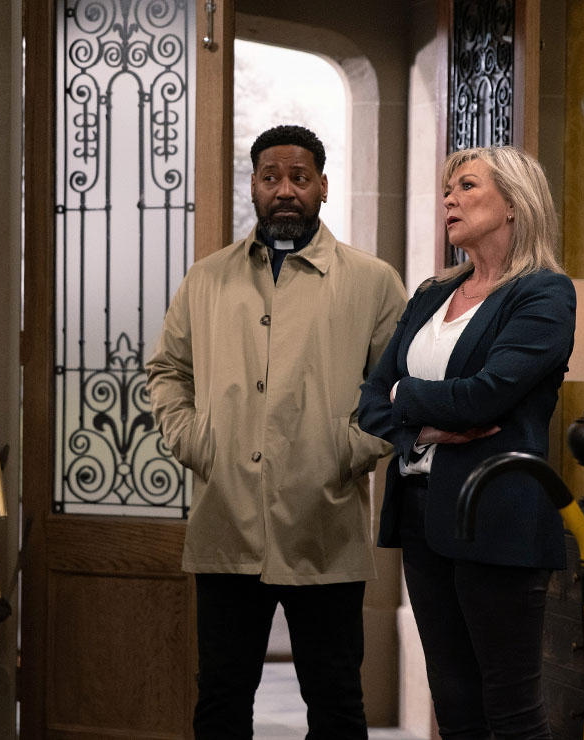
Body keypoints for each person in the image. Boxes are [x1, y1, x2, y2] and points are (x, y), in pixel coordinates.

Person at [147, 124, 407, 739]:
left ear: (323, 186)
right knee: (221, 697)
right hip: (227, 520)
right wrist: (196, 441)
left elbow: (399, 387)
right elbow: (168, 371)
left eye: (299, 177)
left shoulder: (373, 281)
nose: (284, 190)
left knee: (336, 699)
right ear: (254, 187)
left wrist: (349, 449)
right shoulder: (207, 278)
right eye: (271, 178)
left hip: (325, 522)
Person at [357, 145, 575, 739]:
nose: (449, 199)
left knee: (511, 709)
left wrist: (404, 395)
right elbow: (370, 400)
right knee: (453, 702)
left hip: (495, 513)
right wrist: (422, 425)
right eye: (447, 190)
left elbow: (485, 396)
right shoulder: (431, 293)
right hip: (421, 514)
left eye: (467, 187)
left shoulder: (544, 294)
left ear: (514, 203)